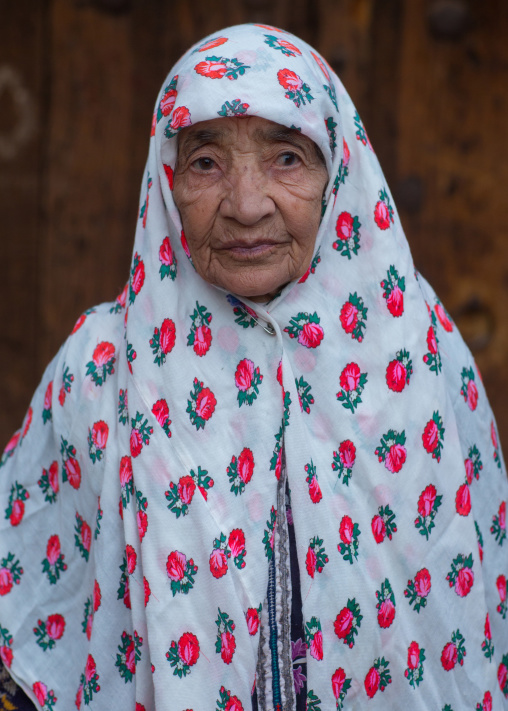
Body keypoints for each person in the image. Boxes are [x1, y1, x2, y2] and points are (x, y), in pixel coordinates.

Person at [0, 23, 507, 711]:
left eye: (288, 159)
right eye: (206, 162)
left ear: (339, 174)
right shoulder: (101, 368)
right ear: (167, 181)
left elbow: (476, 602)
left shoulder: (418, 349)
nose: (245, 204)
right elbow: (27, 605)